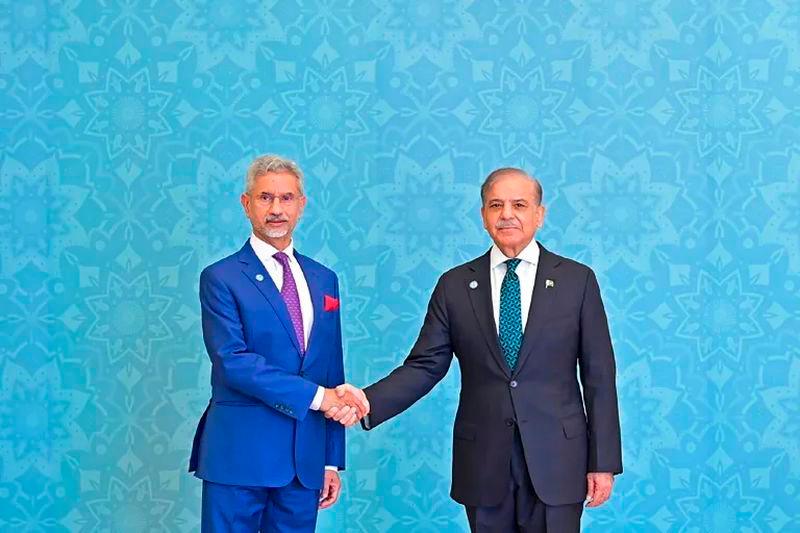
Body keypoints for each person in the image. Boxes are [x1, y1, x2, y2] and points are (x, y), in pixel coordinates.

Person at [334, 168, 622, 532]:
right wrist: (368, 399)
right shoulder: (454, 285)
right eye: (496, 205)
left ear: (539, 214)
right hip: (485, 461)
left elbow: (599, 376)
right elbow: (425, 365)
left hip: (559, 460)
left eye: (519, 204)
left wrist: (603, 461)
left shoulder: (577, 281)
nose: (507, 214)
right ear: (483, 215)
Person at [189, 154, 368, 532]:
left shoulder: (324, 279)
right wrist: (320, 398)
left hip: (304, 462)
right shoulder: (220, 277)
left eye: (286, 198)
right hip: (239, 456)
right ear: (246, 204)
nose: (276, 209)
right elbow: (233, 362)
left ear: (301, 205)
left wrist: (330, 460)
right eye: (265, 198)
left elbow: (331, 368)